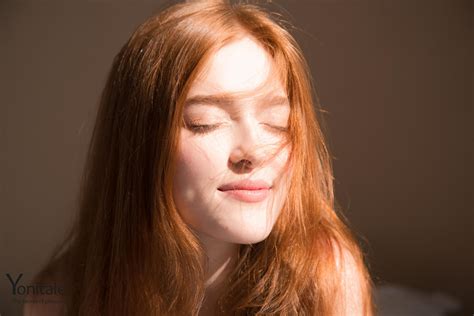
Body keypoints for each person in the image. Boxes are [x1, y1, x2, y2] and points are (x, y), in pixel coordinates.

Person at [24, 0, 375, 315]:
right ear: (140, 144)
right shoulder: (61, 299)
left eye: (276, 123)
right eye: (205, 123)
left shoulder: (326, 278)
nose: (253, 151)